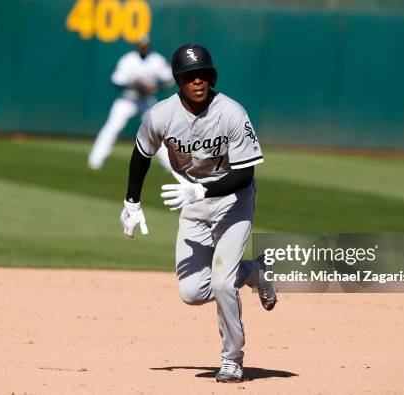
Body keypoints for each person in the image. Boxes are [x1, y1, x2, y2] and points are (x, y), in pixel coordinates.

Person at [119, 44, 277, 383]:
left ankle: (232, 358)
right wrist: (131, 202)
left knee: (221, 283)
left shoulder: (231, 113)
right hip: (194, 205)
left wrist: (201, 189)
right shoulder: (162, 115)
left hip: (234, 202)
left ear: (213, 76)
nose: (198, 81)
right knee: (192, 292)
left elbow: (245, 173)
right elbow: (141, 153)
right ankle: (254, 272)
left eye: (204, 74)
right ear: (178, 80)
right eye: (190, 76)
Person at [88, 36, 173, 171]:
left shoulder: (156, 60)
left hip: (146, 100)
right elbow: (116, 81)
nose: (143, 47)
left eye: (145, 45)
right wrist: (133, 85)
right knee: (113, 127)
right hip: (127, 99)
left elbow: (168, 79)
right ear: (137, 45)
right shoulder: (128, 60)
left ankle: (169, 164)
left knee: (157, 130)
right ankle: (95, 159)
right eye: (141, 45)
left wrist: (157, 88)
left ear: (149, 45)